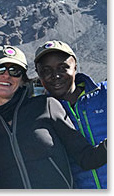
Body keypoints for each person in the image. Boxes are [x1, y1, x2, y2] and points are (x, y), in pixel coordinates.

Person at [0, 45, 107, 189]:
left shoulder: (46, 106)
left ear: (22, 79)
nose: (6, 75)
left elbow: (86, 157)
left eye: (15, 71)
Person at [34, 40, 107, 189]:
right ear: (39, 75)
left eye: (63, 67)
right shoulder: (38, 113)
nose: (55, 76)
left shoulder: (106, 94)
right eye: (46, 71)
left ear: (75, 67)